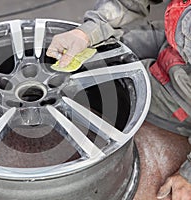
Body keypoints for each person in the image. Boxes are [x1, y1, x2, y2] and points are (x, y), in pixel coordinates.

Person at [46, 0, 191, 199]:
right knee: (102, 51)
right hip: (173, 42)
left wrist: (188, 176)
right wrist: (87, 32)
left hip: (182, 99)